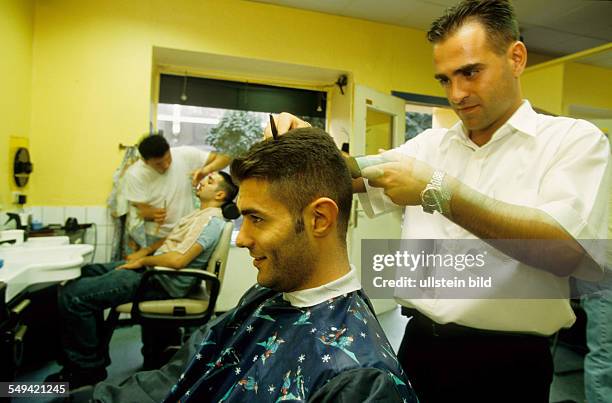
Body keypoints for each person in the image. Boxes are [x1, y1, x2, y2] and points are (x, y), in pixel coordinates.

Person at [266, 1, 610, 401]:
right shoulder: (431, 145)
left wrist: (438, 193)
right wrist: (307, 140)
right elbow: (351, 171)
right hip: (420, 348)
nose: (457, 94)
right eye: (445, 80)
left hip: (509, 364)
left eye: (470, 72)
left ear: (515, 57)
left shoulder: (572, 142)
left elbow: (566, 251)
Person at [86, 128, 417, 402]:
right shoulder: (264, 295)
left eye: (256, 218)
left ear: (319, 219)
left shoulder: (358, 382)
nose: (241, 238)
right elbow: (175, 378)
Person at [46, 171, 239, 388]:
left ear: (221, 194)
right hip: (154, 270)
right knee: (85, 272)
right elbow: (170, 241)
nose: (203, 181)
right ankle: (88, 357)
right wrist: (145, 252)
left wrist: (142, 261)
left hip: (160, 280)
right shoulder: (198, 215)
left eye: (210, 181)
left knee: (75, 296)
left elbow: (177, 260)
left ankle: (85, 371)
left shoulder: (210, 221)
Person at [124, 134, 231, 245]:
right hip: (156, 236)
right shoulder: (134, 175)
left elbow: (225, 158)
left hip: (185, 232)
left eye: (168, 158)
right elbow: (141, 210)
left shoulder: (184, 154)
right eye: (159, 163)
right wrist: (151, 213)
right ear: (145, 161)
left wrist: (205, 170)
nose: (166, 165)